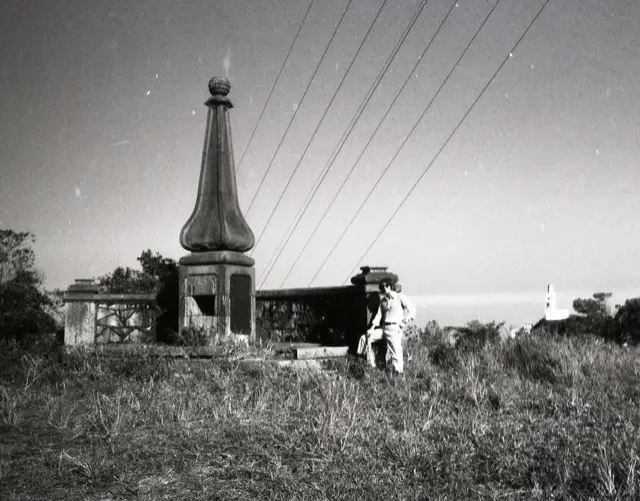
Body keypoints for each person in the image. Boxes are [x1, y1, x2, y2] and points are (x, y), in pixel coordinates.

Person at [357, 279, 416, 374]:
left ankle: (398, 374)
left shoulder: (399, 298)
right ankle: (365, 363)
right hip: (384, 328)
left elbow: (412, 310)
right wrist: (371, 329)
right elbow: (378, 316)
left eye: (386, 286)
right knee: (364, 338)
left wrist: (403, 322)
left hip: (394, 329)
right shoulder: (384, 301)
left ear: (390, 286)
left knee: (396, 352)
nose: (385, 288)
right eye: (383, 287)